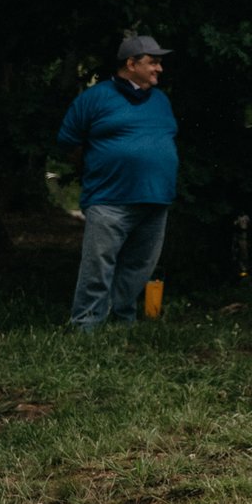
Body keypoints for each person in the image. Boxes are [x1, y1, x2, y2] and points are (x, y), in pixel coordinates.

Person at [56, 34, 179, 330]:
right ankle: (86, 325)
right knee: (98, 266)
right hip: (109, 198)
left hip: (155, 197)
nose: (159, 69)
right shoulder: (95, 98)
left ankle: (122, 320)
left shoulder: (161, 100)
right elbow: (69, 142)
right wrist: (101, 168)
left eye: (160, 63)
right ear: (131, 63)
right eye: (153, 62)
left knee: (139, 266)